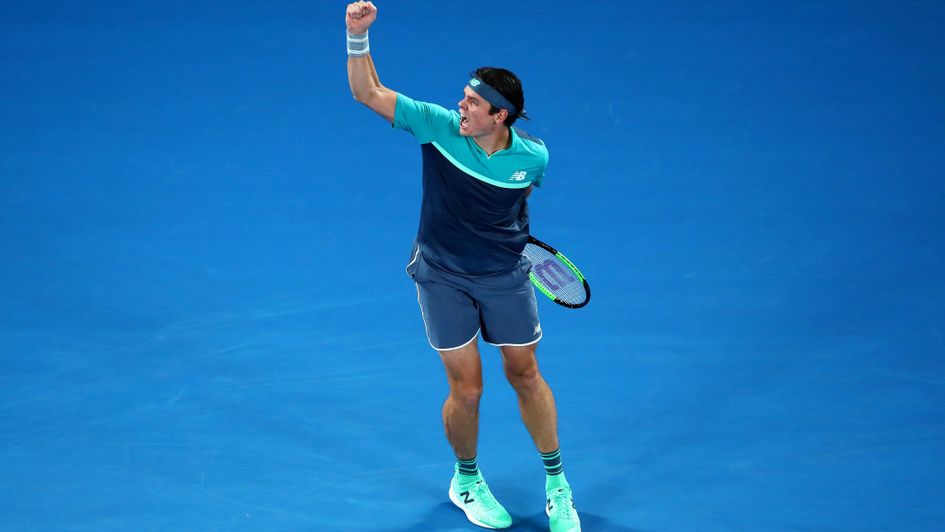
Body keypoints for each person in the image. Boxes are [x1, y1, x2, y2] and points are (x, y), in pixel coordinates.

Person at [345, 3, 580, 530]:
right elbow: (368, 93)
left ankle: (557, 483)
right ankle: (467, 479)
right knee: (467, 387)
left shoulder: (533, 159)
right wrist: (357, 37)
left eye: (473, 103)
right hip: (442, 276)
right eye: (464, 98)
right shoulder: (437, 126)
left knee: (524, 372)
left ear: (501, 117)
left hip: (504, 277)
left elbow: (515, 204)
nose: (461, 107)